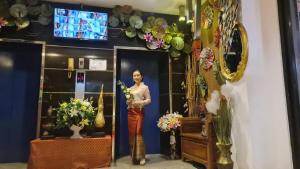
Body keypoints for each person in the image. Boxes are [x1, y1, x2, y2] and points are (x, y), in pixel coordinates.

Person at [126, 70, 151, 165]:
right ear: (133, 77)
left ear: (141, 76)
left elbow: (149, 100)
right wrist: (128, 102)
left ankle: (141, 157)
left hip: (139, 112)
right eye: (134, 75)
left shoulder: (145, 87)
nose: (136, 77)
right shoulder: (130, 89)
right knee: (132, 133)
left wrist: (140, 102)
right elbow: (128, 101)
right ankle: (134, 156)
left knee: (138, 132)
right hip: (130, 112)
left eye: (138, 75)